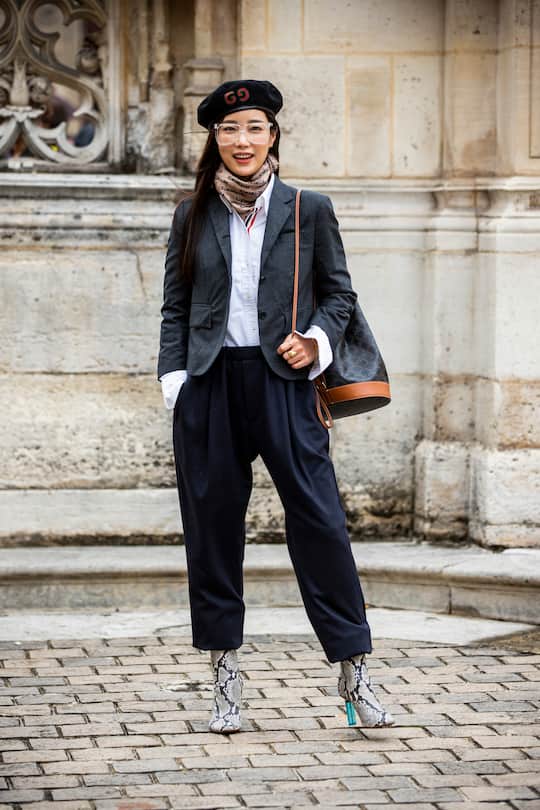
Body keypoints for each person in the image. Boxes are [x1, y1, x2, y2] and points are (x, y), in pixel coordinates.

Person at [157, 79, 394, 734]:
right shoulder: (192, 213)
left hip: (285, 386)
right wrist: (175, 382)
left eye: (254, 128)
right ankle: (225, 678)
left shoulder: (308, 208)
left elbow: (339, 295)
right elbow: (175, 308)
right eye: (230, 130)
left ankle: (355, 675)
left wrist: (314, 340)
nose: (242, 141)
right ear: (215, 139)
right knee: (212, 536)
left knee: (320, 524)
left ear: (272, 136)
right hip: (208, 388)